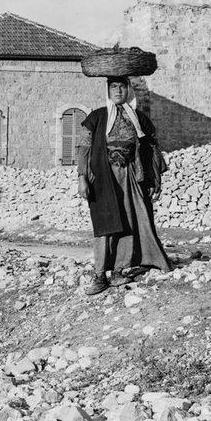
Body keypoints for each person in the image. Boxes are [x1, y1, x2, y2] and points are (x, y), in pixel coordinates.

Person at [77, 76, 172, 295]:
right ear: (108, 91)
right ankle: (100, 275)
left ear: (128, 90)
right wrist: (82, 177)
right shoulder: (97, 117)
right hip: (103, 175)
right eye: (114, 87)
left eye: (122, 87)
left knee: (131, 219)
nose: (118, 91)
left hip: (130, 175)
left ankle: (119, 270)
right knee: (105, 223)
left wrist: (154, 180)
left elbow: (151, 150)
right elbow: (84, 148)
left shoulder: (138, 119)